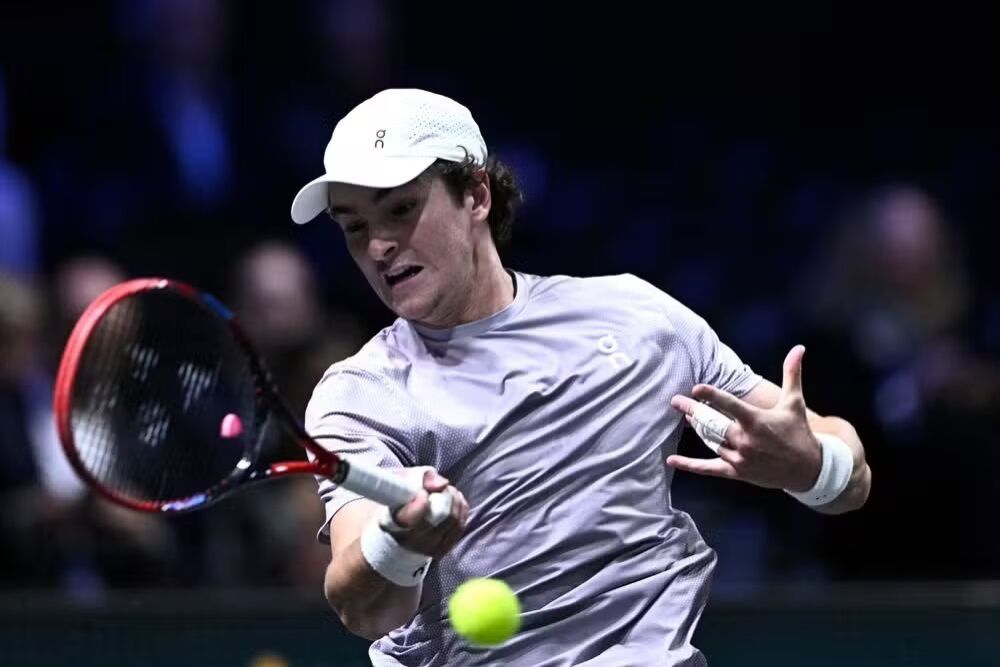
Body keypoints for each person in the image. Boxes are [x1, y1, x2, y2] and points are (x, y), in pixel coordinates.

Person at [288, 88, 872, 666]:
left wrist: (814, 468)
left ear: (476, 194)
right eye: (354, 227)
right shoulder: (361, 394)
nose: (380, 246)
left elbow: (851, 478)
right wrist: (400, 540)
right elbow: (363, 611)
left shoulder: (638, 319)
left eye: (400, 209)